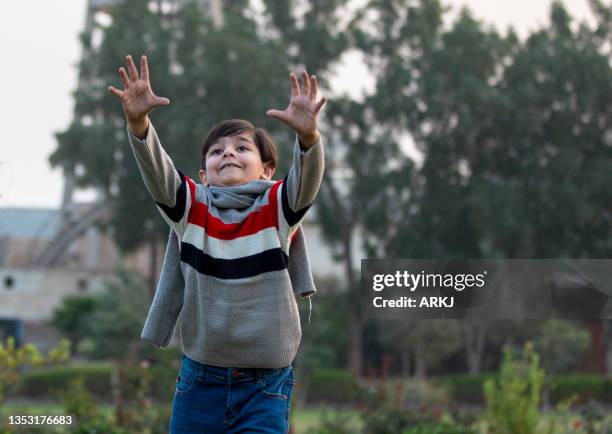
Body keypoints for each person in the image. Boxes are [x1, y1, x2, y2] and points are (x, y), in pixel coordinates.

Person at [108, 54, 326, 433]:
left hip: (265, 388)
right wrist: (139, 124)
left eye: (242, 148)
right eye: (217, 150)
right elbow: (158, 174)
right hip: (199, 383)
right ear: (203, 174)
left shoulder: (276, 208)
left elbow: (306, 181)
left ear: (267, 169)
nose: (228, 153)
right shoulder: (191, 210)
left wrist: (308, 138)